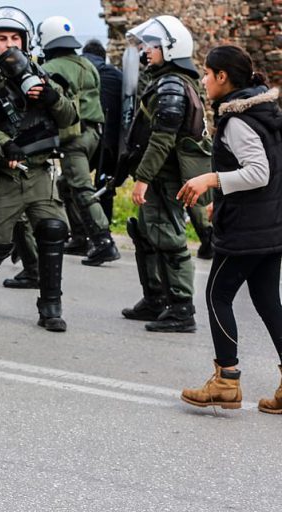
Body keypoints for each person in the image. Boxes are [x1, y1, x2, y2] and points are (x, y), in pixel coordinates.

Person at [177, 45, 282, 413]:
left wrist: (210, 179)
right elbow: (264, 172)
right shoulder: (263, 109)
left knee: (217, 296)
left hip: (245, 232)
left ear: (222, 77)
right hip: (269, 225)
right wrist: (221, 193)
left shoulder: (237, 119)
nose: (203, 80)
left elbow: (258, 172)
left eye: (207, 73)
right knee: (269, 302)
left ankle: (226, 381)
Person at [0, 7, 76, 332]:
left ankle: (51, 308)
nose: (8, 44)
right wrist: (2, 143)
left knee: (53, 230)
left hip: (41, 171)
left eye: (14, 37)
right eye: (1, 38)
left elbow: (71, 118)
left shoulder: (40, 74)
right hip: (4, 174)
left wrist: (52, 98)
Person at [121, 15, 210, 333]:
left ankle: (181, 309)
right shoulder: (166, 80)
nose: (146, 51)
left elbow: (162, 137)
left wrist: (142, 178)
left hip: (164, 175)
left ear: (171, 48)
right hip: (159, 174)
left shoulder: (172, 83)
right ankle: (156, 299)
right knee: (146, 234)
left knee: (169, 239)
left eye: (153, 45)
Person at [36, 16, 120, 267]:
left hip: (74, 137)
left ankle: (104, 240)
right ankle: (81, 236)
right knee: (66, 184)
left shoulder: (52, 69)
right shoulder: (87, 64)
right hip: (94, 134)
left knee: (81, 187)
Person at [81, 39, 122, 224]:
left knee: (76, 183)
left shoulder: (80, 72)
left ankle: (80, 229)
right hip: (112, 139)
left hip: (84, 135)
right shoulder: (117, 76)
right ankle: (105, 228)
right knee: (105, 185)